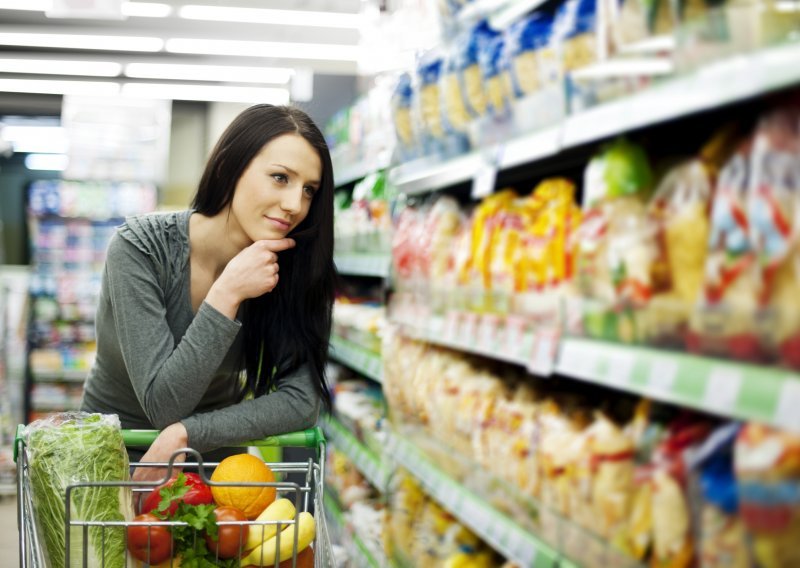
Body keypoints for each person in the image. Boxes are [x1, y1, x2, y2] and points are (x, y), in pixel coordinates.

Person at [79, 104, 336, 481]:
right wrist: (228, 291)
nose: (295, 205)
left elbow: (301, 402)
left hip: (215, 467)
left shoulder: (291, 268)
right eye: (280, 177)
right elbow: (163, 404)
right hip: (113, 456)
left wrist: (188, 433)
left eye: (309, 189)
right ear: (229, 165)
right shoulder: (140, 249)